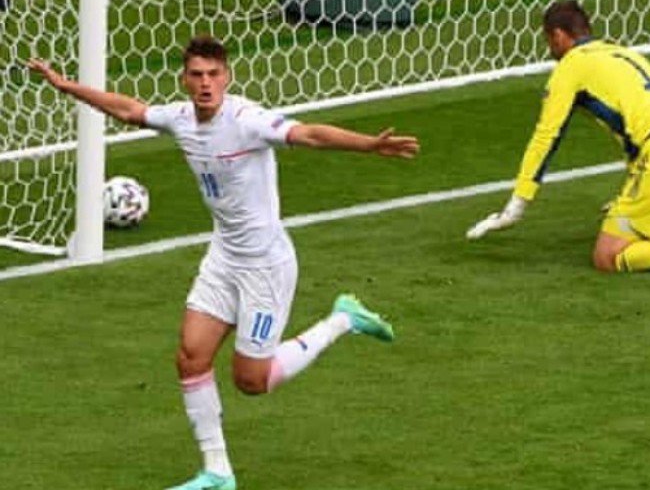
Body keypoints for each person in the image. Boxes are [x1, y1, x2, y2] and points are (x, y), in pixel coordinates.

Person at [29, 35, 419, 490]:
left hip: (265, 266)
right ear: (185, 79)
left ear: (227, 77)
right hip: (224, 257)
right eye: (197, 75)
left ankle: (342, 319)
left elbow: (308, 134)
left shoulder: (247, 121)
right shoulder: (179, 118)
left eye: (214, 75)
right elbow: (129, 110)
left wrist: (369, 145)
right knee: (191, 357)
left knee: (251, 381)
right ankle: (217, 472)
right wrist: (66, 85)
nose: (205, 84)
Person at [466, 0, 650, 274]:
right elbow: (641, 118)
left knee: (608, 256)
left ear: (558, 35)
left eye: (548, 41)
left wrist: (517, 204)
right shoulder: (621, 53)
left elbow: (547, 136)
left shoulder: (572, 66)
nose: (549, 51)